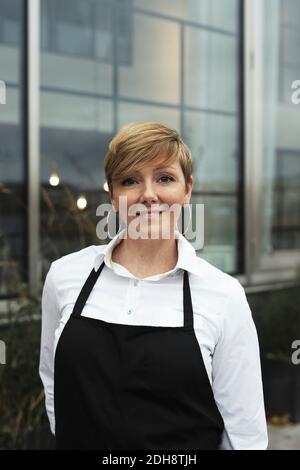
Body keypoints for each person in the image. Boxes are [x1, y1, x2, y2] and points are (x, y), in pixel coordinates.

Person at [39, 121, 268, 450]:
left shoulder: (223, 296)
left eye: (164, 178)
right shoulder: (65, 277)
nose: (148, 194)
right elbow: (53, 382)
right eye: (130, 180)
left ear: (187, 190)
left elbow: (245, 435)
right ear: (114, 195)